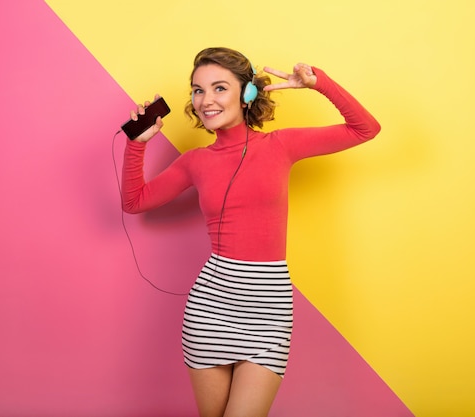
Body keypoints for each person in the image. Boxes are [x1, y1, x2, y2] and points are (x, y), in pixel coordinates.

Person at [121, 47, 381, 417]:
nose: (206, 100)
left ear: (247, 94)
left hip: (269, 310)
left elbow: (365, 129)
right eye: (197, 90)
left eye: (219, 88)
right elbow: (135, 201)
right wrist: (137, 144)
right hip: (210, 309)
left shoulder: (280, 146)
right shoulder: (195, 162)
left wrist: (317, 83)